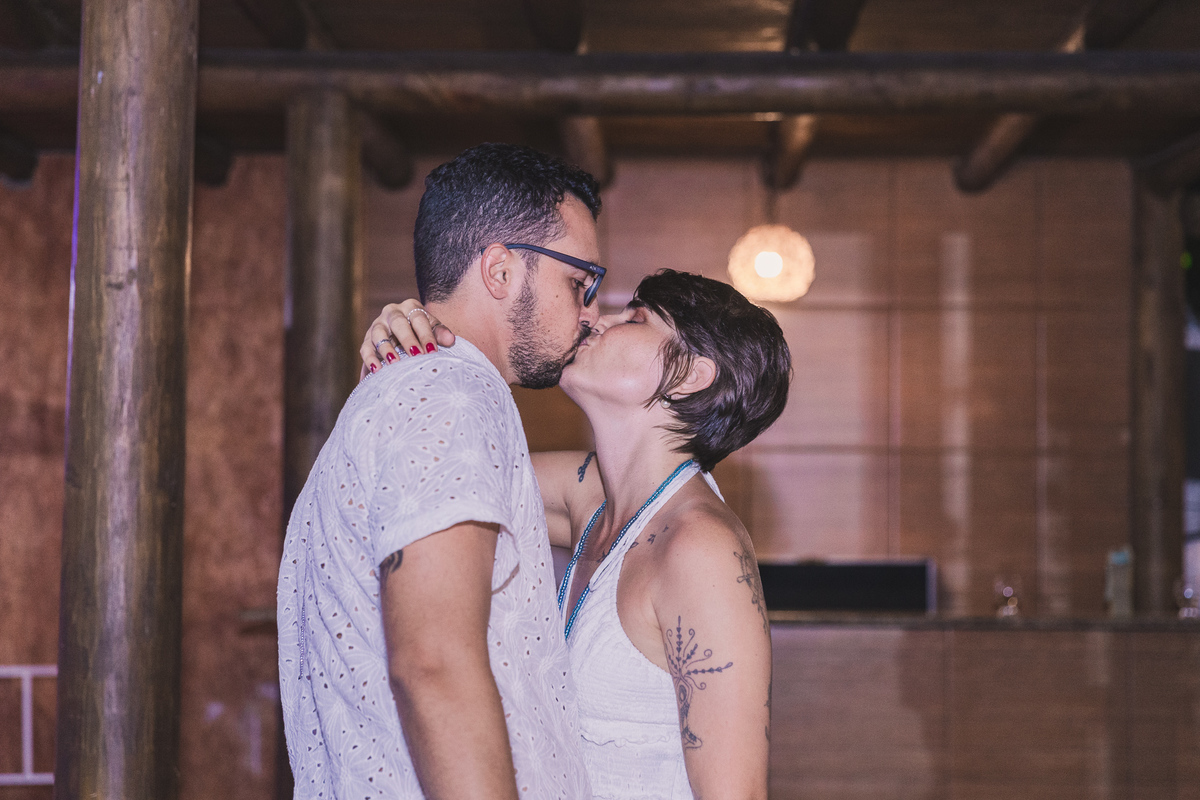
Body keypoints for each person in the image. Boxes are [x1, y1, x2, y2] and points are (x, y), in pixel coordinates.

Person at [363, 269, 791, 799]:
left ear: (691, 376)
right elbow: (421, 473)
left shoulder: (700, 548)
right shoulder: (587, 494)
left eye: (636, 318)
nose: (597, 320)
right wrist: (404, 353)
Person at [277, 143, 608, 799]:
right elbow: (434, 664)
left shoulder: (425, 390)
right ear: (500, 270)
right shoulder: (450, 396)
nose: (591, 311)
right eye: (580, 282)